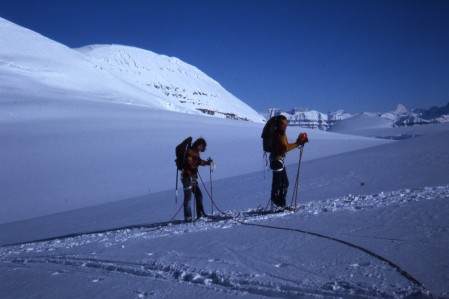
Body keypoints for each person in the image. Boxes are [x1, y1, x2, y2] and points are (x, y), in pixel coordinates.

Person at [270, 115, 306, 209]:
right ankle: (278, 204)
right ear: (281, 125)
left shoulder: (278, 133)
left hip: (277, 160)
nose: (286, 126)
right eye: (285, 124)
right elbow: (285, 148)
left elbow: (283, 148)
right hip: (277, 160)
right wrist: (298, 143)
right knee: (280, 184)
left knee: (281, 183)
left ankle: (280, 204)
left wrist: (297, 143)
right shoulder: (280, 134)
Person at [182, 137, 212, 222]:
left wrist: (207, 163)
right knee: (188, 198)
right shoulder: (190, 151)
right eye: (202, 147)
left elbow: (198, 161)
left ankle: (200, 214)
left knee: (199, 195)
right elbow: (189, 163)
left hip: (193, 178)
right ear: (199, 145)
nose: (202, 149)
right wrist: (193, 171)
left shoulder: (196, 152)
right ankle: (188, 218)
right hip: (187, 178)